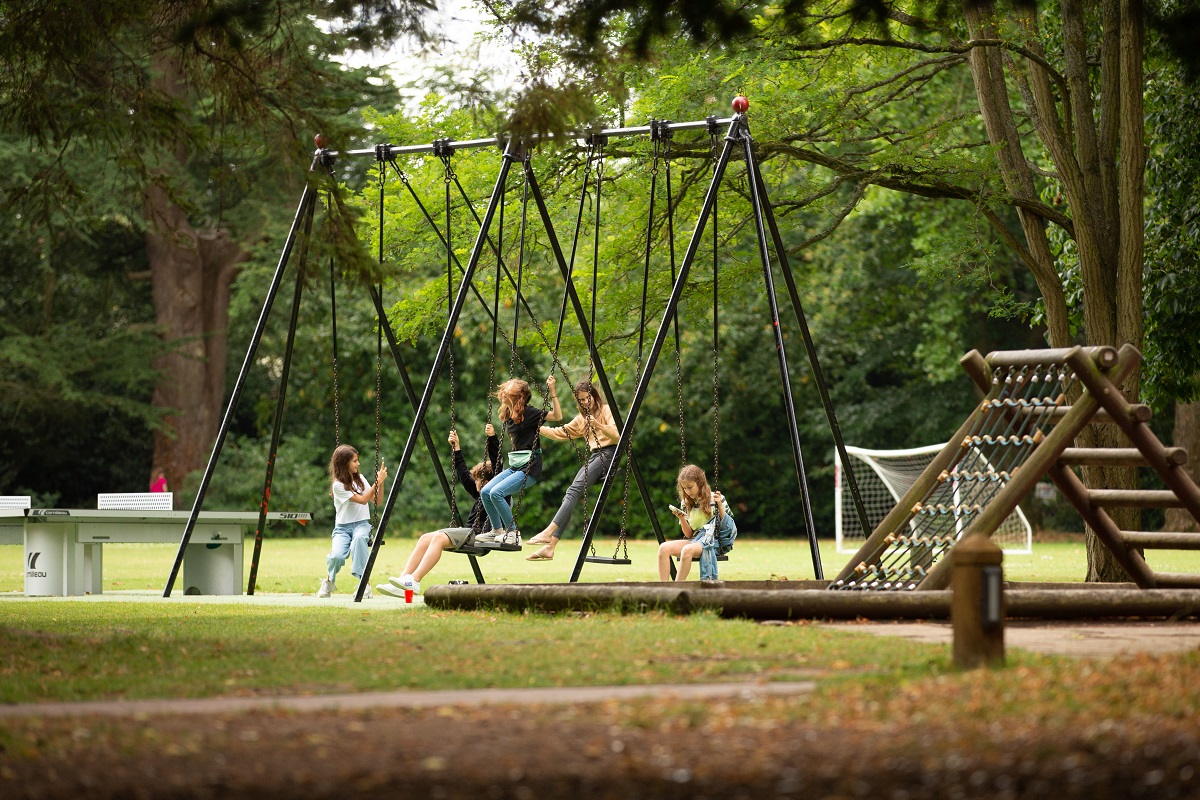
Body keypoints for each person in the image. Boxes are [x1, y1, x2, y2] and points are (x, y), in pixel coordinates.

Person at [377, 425, 499, 597]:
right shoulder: (480, 493)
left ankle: (416, 580)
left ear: (489, 482)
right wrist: (457, 448)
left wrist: (492, 438)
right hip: (469, 533)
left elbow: (497, 464)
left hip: (479, 535)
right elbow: (464, 475)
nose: (475, 484)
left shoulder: (495, 494)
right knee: (425, 538)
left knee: (438, 538)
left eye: (478, 481)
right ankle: (404, 579)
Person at [525, 378, 620, 561]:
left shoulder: (606, 410)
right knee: (570, 493)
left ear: (594, 396)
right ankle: (550, 548)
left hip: (609, 454)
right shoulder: (581, 420)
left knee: (573, 490)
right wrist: (536, 427)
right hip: (595, 456)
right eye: (581, 400)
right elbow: (559, 432)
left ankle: (549, 532)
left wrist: (598, 425)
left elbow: (618, 436)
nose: (585, 402)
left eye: (587, 398)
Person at [476, 376, 561, 547]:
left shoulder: (530, 413)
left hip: (530, 467)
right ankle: (497, 531)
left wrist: (552, 390)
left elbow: (557, 416)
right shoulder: (507, 414)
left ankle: (513, 532)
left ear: (518, 396)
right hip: (515, 466)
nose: (504, 392)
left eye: (508, 390)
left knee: (497, 493)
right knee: (485, 492)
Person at [318, 444, 387, 598]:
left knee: (359, 540)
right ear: (344, 463)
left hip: (361, 525)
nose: (358, 464)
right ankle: (329, 581)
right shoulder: (338, 486)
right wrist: (377, 481)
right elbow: (363, 500)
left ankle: (365, 585)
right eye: (355, 461)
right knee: (337, 556)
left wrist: (380, 483)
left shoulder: (360, 479)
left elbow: (378, 500)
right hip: (342, 528)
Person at [658, 464, 736, 582]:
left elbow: (728, 527)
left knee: (687, 550)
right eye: (684, 488)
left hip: (712, 541)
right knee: (663, 548)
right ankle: (662, 588)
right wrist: (682, 518)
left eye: (690, 487)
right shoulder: (686, 503)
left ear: (700, 483)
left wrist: (720, 506)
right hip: (695, 540)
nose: (687, 491)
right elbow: (689, 535)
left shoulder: (716, 499)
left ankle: (676, 588)